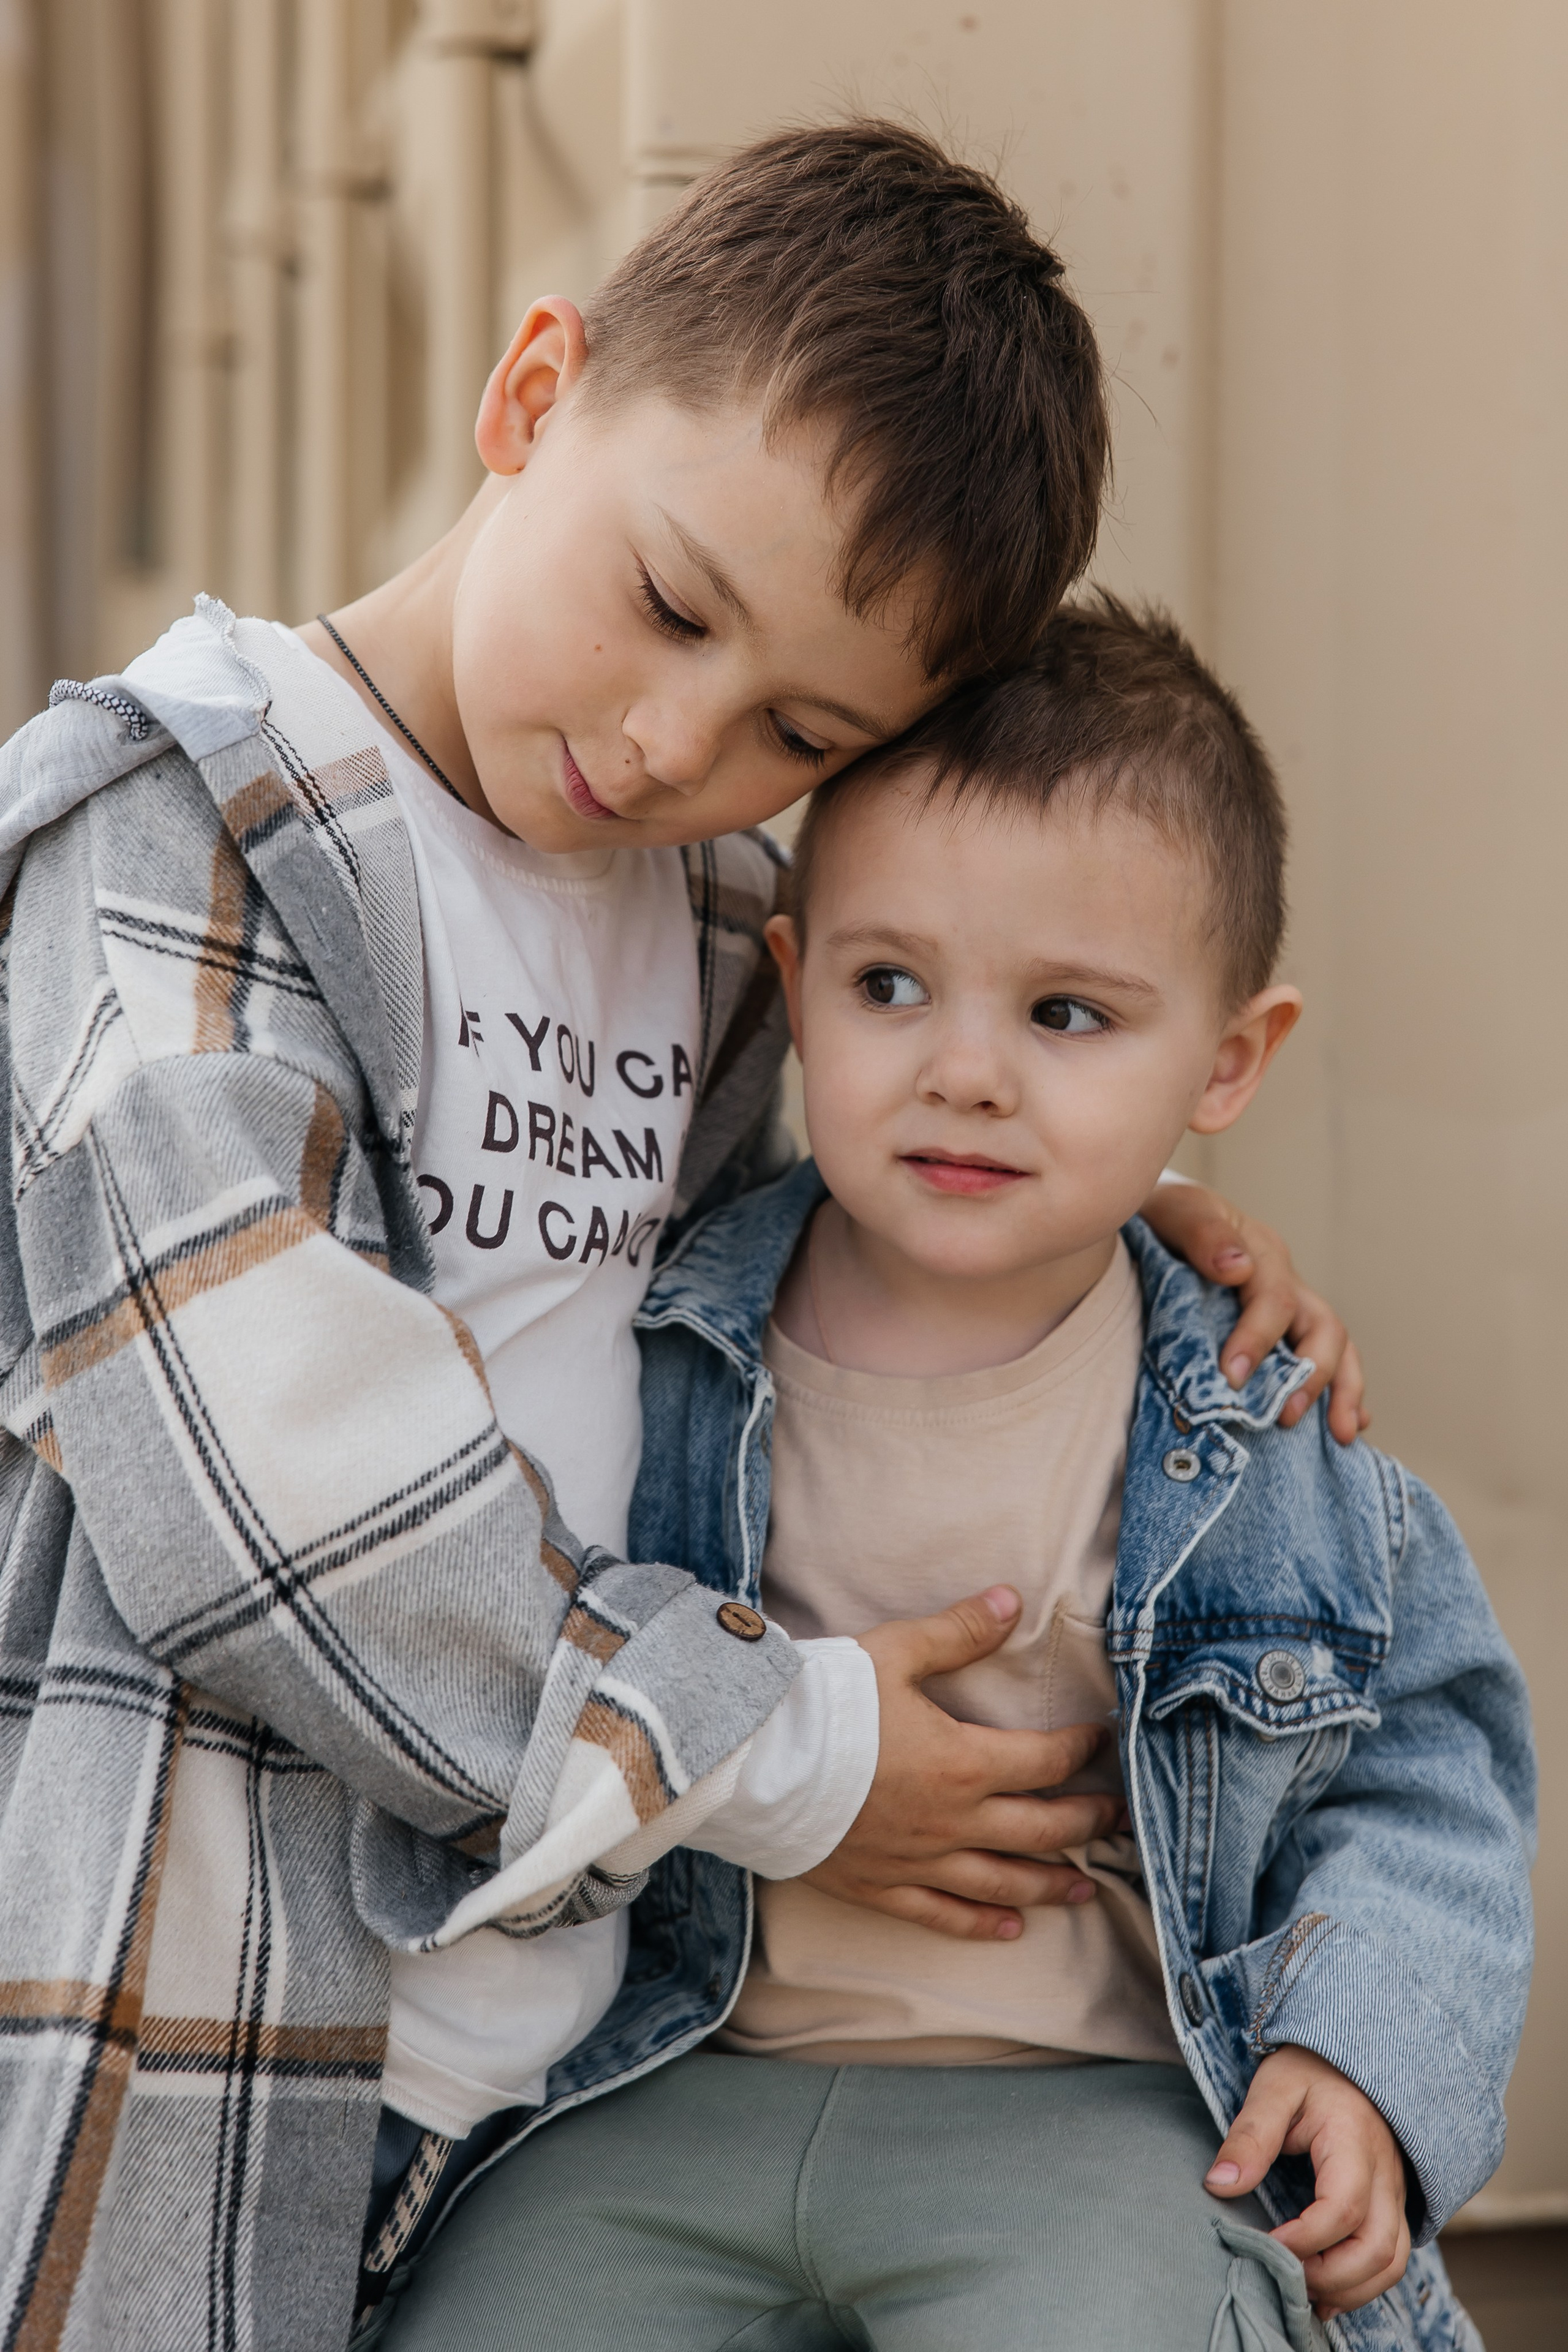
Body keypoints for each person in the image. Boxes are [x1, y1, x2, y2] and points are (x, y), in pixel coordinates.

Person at [0, 123, 1359, 2349]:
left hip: (573, 2068)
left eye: (799, 731)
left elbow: (862, 1192)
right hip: (218, 2016)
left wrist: (1148, 1228)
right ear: (536, 396)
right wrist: (793, 1754)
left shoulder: (727, 924)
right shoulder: (187, 831)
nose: (669, 742)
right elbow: (270, 1502)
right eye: (669, 603)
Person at [380, 598, 1533, 2352]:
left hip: (1085, 2115)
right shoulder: (655, 1330)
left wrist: (1355, 2050)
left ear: (1225, 1061)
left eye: (1070, 1014)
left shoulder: (1246, 1420)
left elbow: (1429, 1763)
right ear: (794, 988)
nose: (965, 1073)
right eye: (889, 985)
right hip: (669, 2072)